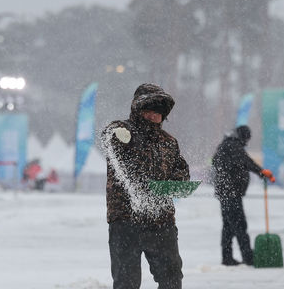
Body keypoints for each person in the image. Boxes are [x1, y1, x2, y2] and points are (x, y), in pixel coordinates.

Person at [100, 83, 190, 289]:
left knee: (172, 278)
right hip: (125, 220)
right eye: (148, 110)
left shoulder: (168, 142)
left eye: (157, 112)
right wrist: (118, 135)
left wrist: (175, 183)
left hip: (161, 220)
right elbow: (108, 136)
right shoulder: (122, 131)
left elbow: (181, 171)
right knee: (127, 283)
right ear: (137, 109)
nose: (152, 116)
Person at [211, 125, 275, 266]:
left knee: (228, 226)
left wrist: (260, 172)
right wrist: (261, 171)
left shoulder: (227, 145)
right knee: (240, 225)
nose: (247, 142)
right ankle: (248, 257)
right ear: (243, 136)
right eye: (247, 138)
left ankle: (227, 258)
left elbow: (240, 162)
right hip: (230, 193)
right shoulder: (232, 146)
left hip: (227, 193)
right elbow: (246, 162)